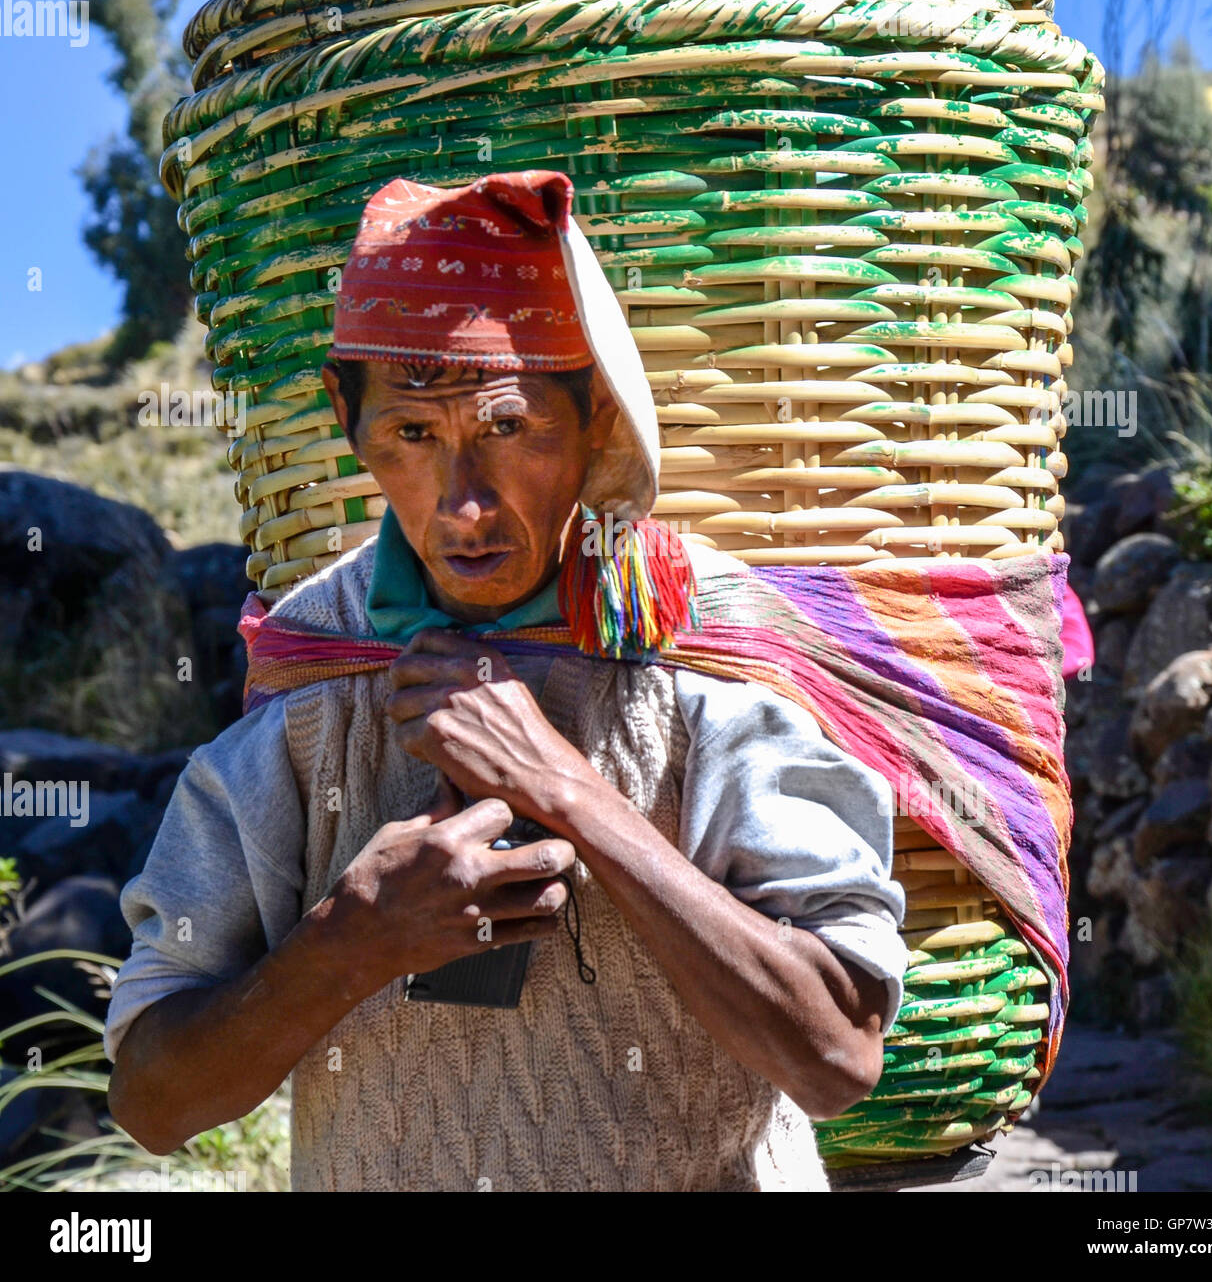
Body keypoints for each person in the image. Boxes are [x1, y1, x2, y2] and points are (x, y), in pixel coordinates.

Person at [104, 170, 909, 1192]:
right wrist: (352, 938)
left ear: (595, 422)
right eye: (411, 436)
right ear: (346, 418)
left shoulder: (701, 653)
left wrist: (570, 794)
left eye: (509, 428)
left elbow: (837, 1055)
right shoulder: (315, 679)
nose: (465, 504)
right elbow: (150, 1099)